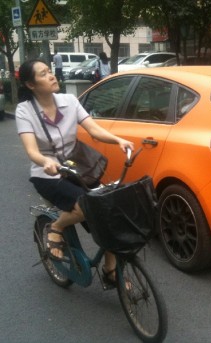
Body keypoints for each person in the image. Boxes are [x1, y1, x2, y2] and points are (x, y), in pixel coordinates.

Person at [15, 59, 134, 286]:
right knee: (85, 206)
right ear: (31, 85)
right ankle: (56, 227)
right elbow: (31, 151)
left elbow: (94, 130)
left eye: (50, 71)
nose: (51, 76)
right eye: (44, 74)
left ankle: (110, 271)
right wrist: (45, 161)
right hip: (48, 175)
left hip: (77, 169)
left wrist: (118, 139)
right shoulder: (25, 110)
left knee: (108, 215)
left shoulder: (69, 101)